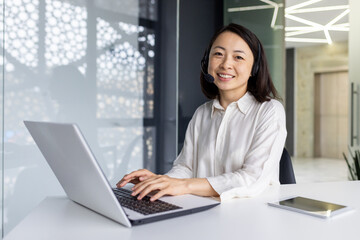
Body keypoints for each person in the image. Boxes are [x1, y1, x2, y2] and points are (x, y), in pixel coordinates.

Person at [117, 23, 287, 202]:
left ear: (255, 67)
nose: (226, 64)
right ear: (207, 62)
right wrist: (162, 181)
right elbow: (186, 167)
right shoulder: (202, 114)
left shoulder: (269, 111)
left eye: (238, 57)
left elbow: (251, 178)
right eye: (218, 54)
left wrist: (185, 185)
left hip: (251, 214)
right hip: (205, 211)